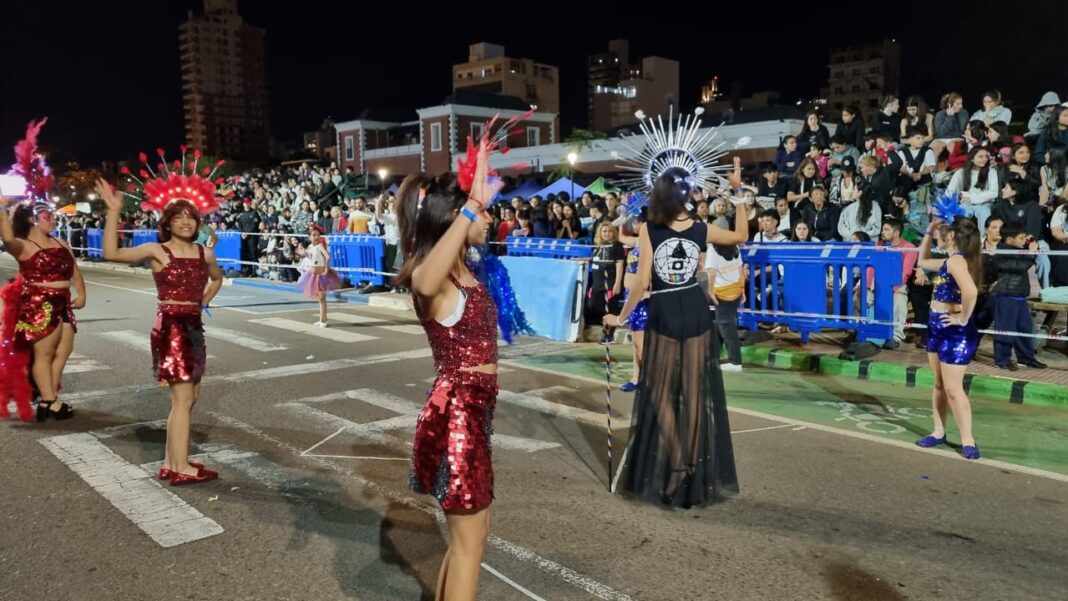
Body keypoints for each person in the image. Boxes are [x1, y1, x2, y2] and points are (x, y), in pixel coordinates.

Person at [604, 149, 748, 507]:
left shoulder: (651, 230)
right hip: (697, 311)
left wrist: (619, 318)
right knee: (696, 394)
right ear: (687, 195)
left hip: (666, 310)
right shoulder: (702, 228)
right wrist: (738, 192)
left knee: (657, 391)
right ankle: (693, 466)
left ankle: (678, 459)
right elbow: (741, 234)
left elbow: (638, 284)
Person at [395, 138, 504, 601]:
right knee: (468, 546)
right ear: (452, 219)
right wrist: (469, 207)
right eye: (481, 213)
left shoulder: (464, 270)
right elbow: (421, 278)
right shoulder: (432, 277)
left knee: (467, 542)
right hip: (457, 412)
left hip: (472, 412)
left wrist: (473, 203)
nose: (489, 219)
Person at [96, 147, 225, 484]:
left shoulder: (203, 251)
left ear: (198, 221)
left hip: (193, 325)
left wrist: (203, 302)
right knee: (182, 398)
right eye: (178, 216)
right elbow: (110, 253)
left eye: (191, 216)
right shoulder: (158, 251)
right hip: (171, 326)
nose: (185, 220)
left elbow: (217, 277)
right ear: (167, 221)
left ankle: (173, 461)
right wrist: (113, 213)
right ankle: (180, 467)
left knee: (190, 397)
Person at [0, 119, 85, 421]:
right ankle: (48, 401)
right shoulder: (22, 246)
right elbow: (6, 238)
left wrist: (82, 292)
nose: (54, 218)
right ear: (35, 219)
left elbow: (73, 268)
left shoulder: (61, 241)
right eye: (48, 214)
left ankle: (49, 392)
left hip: (63, 304)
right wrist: (2, 209)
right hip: (40, 304)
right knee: (45, 353)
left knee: (64, 350)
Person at [915, 211, 982, 460]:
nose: (937, 237)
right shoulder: (949, 260)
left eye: (941, 233)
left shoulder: (956, 261)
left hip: (954, 332)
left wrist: (961, 318)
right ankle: (939, 431)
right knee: (939, 384)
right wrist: (929, 231)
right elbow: (922, 261)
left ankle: (968, 439)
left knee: (954, 388)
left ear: (951, 235)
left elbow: (971, 292)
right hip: (936, 327)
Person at [297, 224, 342, 326]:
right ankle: (322, 318)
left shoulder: (320, 246)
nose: (316, 237)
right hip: (313, 274)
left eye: (317, 235)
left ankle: (324, 320)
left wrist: (326, 269)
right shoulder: (310, 246)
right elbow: (311, 256)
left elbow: (327, 257)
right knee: (319, 298)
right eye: (313, 235)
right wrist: (304, 253)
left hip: (321, 274)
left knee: (322, 298)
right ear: (309, 237)